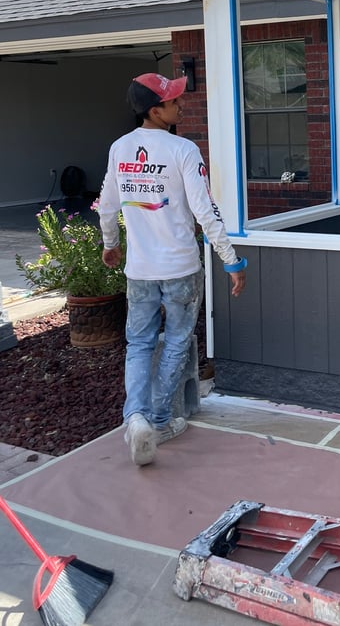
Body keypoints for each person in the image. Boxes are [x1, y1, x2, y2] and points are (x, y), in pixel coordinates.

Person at [99, 72, 246, 466]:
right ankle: (160, 421)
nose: (181, 105)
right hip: (180, 266)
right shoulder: (183, 150)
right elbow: (206, 211)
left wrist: (110, 245)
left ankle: (136, 419)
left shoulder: (119, 149)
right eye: (173, 100)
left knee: (139, 344)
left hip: (140, 270)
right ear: (154, 109)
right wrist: (231, 260)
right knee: (177, 341)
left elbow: (107, 204)